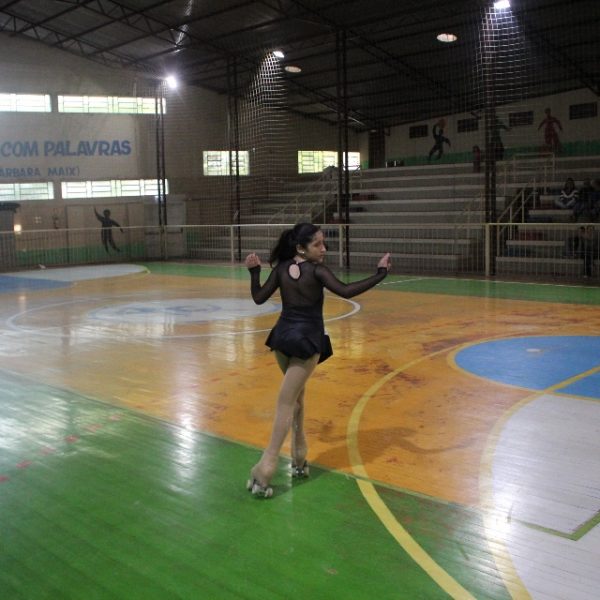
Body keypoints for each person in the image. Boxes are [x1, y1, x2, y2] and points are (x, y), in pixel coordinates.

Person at [244, 223, 391, 497]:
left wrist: (254, 273)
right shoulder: (317, 271)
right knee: (287, 402)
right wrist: (380, 273)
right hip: (306, 343)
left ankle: (299, 457)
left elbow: (258, 297)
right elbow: (347, 291)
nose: (324, 249)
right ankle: (266, 467)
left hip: (282, 339)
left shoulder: (282, 268)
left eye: (324, 243)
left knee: (297, 398)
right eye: (318, 244)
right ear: (301, 248)